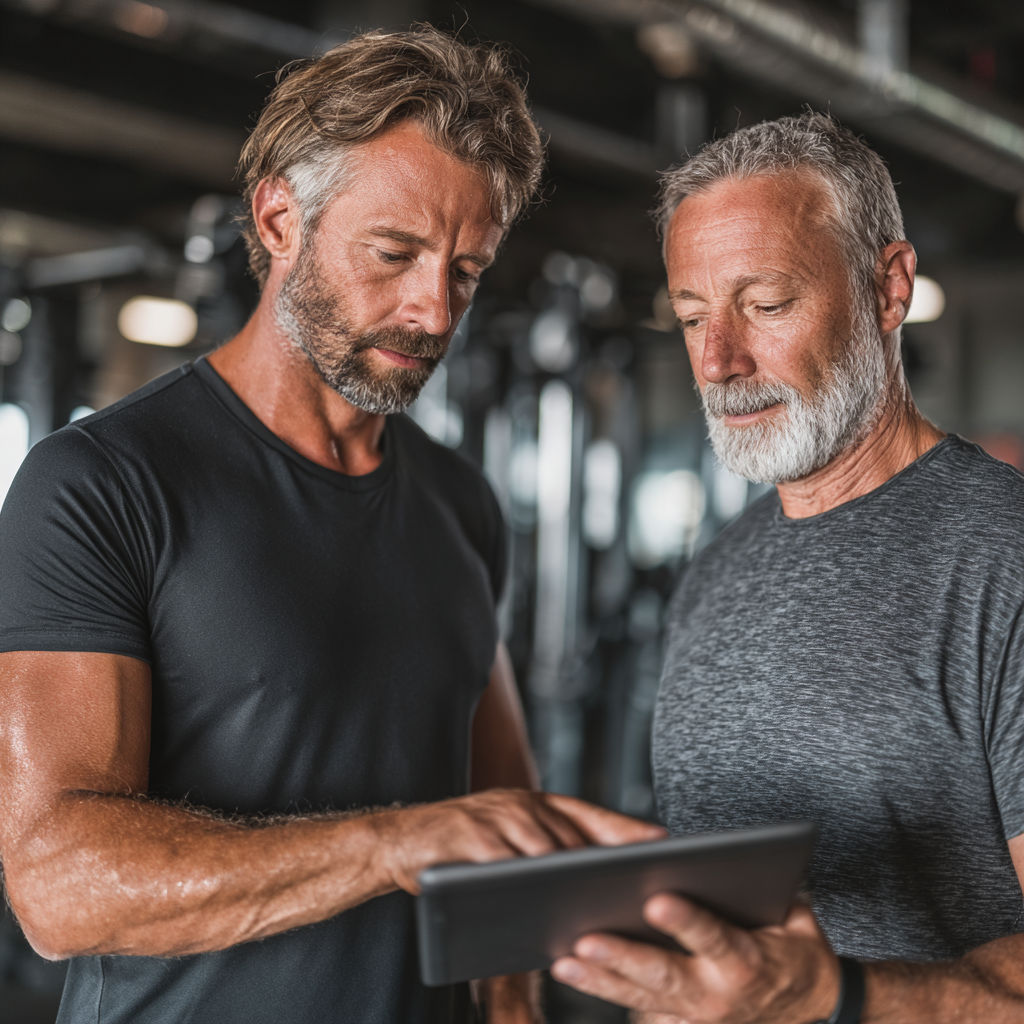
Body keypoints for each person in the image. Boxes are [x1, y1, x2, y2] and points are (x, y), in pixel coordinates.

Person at [0, 27, 661, 1024]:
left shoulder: (460, 504)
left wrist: (516, 998)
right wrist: (391, 845)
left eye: (466, 272)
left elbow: (497, 823)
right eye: (393, 253)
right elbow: (58, 887)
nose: (433, 310)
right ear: (277, 218)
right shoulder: (100, 484)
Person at [550, 111, 1024, 1023]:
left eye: (765, 305)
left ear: (888, 288)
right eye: (692, 316)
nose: (719, 362)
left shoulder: (1003, 564)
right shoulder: (718, 571)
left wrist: (834, 998)